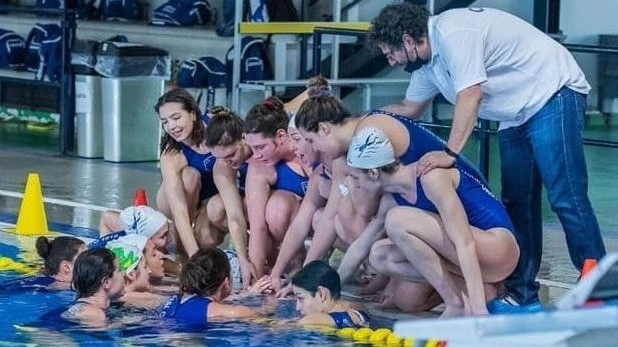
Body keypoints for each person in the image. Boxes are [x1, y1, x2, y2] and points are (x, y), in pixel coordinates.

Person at [368, 2, 606, 312]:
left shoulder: (453, 32)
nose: (393, 61)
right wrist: (359, 124)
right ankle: (522, 293)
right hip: (515, 113)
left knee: (565, 195)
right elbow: (408, 109)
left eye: (392, 53)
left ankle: (601, 288)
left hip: (552, 91)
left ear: (409, 41)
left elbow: (471, 95)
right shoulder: (428, 66)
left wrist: (449, 153)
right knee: (518, 201)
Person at [343, 127, 520, 316]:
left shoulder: (430, 177)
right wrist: (329, 285)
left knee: (396, 219)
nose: (354, 184)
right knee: (380, 255)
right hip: (472, 259)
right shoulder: (392, 199)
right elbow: (362, 244)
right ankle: (475, 294)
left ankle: (463, 304)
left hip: (499, 249)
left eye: (355, 177)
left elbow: (464, 241)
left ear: (373, 173)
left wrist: (478, 311)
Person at [243, 97, 311, 278]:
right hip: (299, 225)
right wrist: (256, 279)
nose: (256, 155)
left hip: (324, 220)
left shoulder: (310, 144)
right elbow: (257, 228)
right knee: (277, 208)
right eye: (252, 148)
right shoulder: (260, 166)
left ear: (281, 136)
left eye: (260, 147)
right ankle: (296, 261)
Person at [154, 88, 221, 258]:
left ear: (193, 113)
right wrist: (191, 258)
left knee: (207, 240)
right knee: (190, 176)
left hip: (207, 199)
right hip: (174, 201)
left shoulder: (216, 125)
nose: (172, 127)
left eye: (176, 118)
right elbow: (179, 211)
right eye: (165, 122)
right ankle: (181, 248)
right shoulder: (172, 155)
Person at [204, 106, 255, 288]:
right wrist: (243, 259)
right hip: (250, 210)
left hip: (276, 209)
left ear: (243, 138)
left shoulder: (262, 152)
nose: (227, 162)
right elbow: (234, 217)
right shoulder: (222, 165)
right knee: (215, 208)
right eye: (220, 157)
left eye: (231, 154)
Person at [159, 247, 271, 322]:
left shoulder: (176, 300)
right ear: (227, 283)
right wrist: (271, 303)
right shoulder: (221, 311)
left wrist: (250, 294)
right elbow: (270, 322)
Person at [292, 260, 370, 328]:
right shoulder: (357, 310)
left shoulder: (311, 320)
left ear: (321, 293)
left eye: (300, 298)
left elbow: (288, 327)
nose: (297, 308)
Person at [61, 248, 125, 327]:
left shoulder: (84, 309)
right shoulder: (94, 314)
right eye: (120, 270)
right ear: (106, 282)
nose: (124, 274)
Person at [105, 234, 164, 309]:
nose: (149, 271)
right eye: (145, 267)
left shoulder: (110, 297)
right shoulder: (138, 298)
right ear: (131, 274)